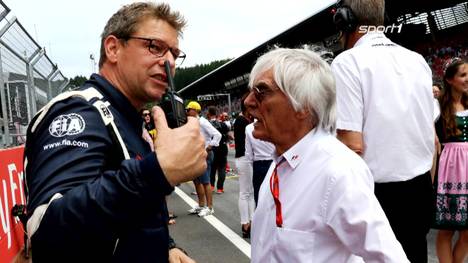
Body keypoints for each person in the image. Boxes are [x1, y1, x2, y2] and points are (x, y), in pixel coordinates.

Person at [23, 3, 207, 262]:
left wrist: (165, 245)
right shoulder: (81, 112)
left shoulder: (128, 117)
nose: (169, 62)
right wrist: (156, 172)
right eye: (155, 46)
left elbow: (130, 211)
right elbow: (47, 229)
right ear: (113, 48)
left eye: (175, 54)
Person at [246, 46, 408, 262]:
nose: (248, 101)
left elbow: (389, 258)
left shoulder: (338, 171)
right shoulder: (281, 163)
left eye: (261, 91)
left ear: (303, 106)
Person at [331, 0, 435, 262]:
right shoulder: (417, 60)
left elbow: (351, 144)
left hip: (377, 192)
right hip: (420, 186)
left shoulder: (347, 62)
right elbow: (431, 136)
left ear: (345, 20)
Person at [434, 57, 468, 263]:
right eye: (463, 75)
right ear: (449, 79)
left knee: (467, 233)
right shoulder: (437, 106)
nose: (467, 79)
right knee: (446, 230)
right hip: (450, 170)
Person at [186, 101, 221, 217]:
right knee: (196, 181)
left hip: (204, 154)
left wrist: (209, 146)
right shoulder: (192, 122)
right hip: (195, 155)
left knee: (206, 182)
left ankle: (210, 207)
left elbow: (217, 134)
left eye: (188, 109)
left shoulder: (202, 122)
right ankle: (201, 205)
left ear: (195, 110)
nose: (186, 111)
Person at [233, 94, 254, 238]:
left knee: (250, 192)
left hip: (245, 158)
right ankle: (245, 222)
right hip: (244, 157)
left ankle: (251, 221)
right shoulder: (241, 121)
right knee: (245, 192)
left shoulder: (243, 120)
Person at [245, 121, 274, 205]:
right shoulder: (271, 122)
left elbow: (248, 153)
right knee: (273, 195)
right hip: (273, 162)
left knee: (258, 195)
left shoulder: (248, 128)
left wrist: (252, 164)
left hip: (258, 164)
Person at [207, 106, 229, 193]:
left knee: (212, 168)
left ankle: (211, 186)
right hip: (223, 148)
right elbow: (229, 136)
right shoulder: (223, 124)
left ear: (209, 113)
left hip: (213, 148)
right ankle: (220, 188)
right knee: (222, 168)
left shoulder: (207, 124)